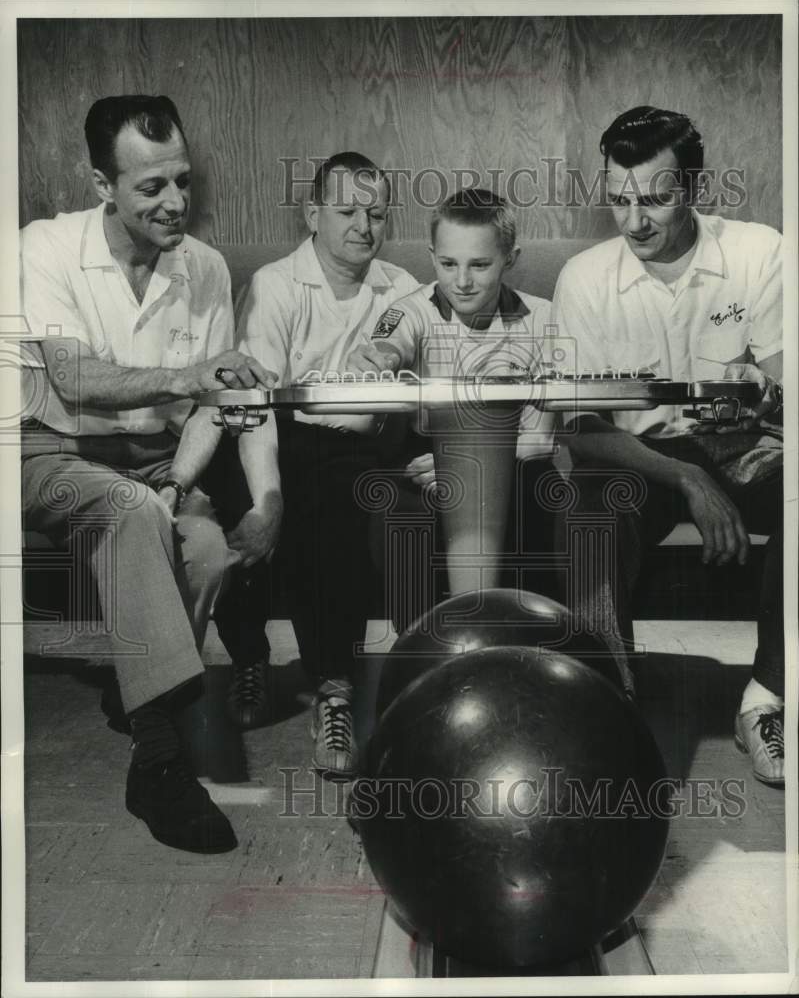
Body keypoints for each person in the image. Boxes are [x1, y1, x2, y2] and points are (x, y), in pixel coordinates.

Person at [20, 95, 274, 853]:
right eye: (151, 186)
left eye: (182, 181)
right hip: (47, 452)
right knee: (133, 509)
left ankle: (144, 706)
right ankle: (161, 764)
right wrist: (189, 375)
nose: (175, 203)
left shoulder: (205, 267)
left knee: (205, 547)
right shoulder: (45, 246)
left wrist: (178, 481)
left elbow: (211, 406)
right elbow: (74, 378)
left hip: (152, 460)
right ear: (103, 185)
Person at [551, 106, 784, 785]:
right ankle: (609, 709)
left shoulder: (758, 251)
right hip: (639, 462)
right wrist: (688, 480)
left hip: (742, 449)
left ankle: (766, 698)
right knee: (586, 510)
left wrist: (767, 397)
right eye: (618, 200)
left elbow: (788, 382)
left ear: (693, 187)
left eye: (654, 200)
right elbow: (579, 428)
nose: (633, 222)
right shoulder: (584, 278)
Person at [211, 152, 419, 778]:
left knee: (344, 489)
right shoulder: (276, 284)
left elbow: (414, 378)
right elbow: (256, 404)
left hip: (364, 447)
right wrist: (270, 491)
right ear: (312, 214)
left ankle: (334, 686)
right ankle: (249, 658)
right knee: (242, 483)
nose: (363, 225)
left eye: (376, 213)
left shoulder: (401, 288)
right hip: (277, 433)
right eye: (347, 210)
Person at [348, 188, 558, 627]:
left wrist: (464, 463)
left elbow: (540, 440)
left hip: (516, 461)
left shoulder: (543, 319)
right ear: (432, 256)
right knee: (398, 515)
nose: (461, 281)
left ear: (510, 258)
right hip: (425, 460)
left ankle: (529, 649)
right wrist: (376, 360)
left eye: (479, 265)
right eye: (448, 264)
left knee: (545, 502)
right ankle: (422, 650)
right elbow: (388, 346)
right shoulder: (411, 310)